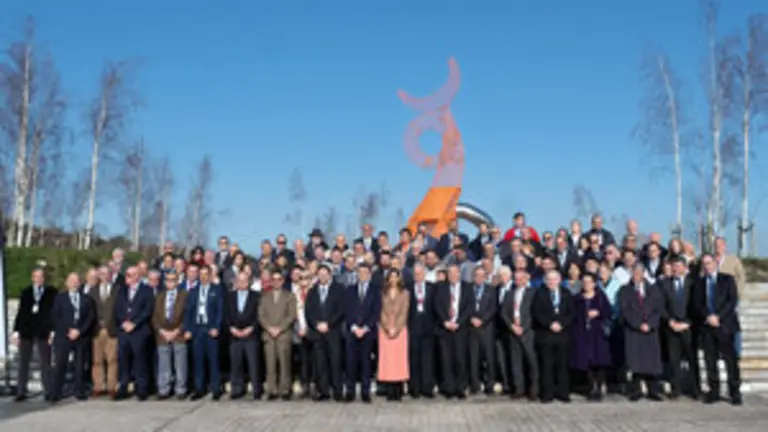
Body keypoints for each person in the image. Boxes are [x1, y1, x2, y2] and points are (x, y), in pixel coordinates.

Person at [693, 254, 742, 406]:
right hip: (707, 328)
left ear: (715, 263)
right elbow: (697, 304)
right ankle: (714, 391)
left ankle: (734, 392)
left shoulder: (727, 279)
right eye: (704, 264)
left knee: (730, 361)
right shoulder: (699, 283)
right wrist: (708, 316)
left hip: (725, 325)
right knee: (710, 361)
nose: (707, 266)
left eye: (709, 263)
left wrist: (718, 317)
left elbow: (732, 300)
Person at [618, 263, 664, 402]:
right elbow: (625, 310)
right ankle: (636, 390)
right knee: (635, 361)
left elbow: (659, 308)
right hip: (634, 330)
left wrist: (650, 324)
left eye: (640, 273)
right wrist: (638, 324)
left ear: (644, 273)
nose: (637, 275)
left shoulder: (654, 289)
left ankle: (653, 390)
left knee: (651, 361)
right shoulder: (625, 290)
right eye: (635, 272)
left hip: (650, 330)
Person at [12, 268, 57, 402]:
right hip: (27, 331)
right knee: (24, 362)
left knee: (45, 362)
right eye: (36, 277)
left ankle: (48, 390)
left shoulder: (51, 292)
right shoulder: (26, 293)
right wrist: (16, 332)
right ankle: (21, 391)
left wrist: (52, 331)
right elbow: (21, 312)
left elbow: (53, 313)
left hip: (44, 331)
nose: (39, 279)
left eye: (41, 276)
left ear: (44, 278)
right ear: (32, 278)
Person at [50, 272, 94, 402]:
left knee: (79, 364)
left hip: (80, 336)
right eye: (71, 281)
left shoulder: (86, 299)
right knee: (60, 364)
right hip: (64, 336)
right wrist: (68, 330)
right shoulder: (60, 298)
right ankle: (56, 391)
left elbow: (90, 317)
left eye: (76, 281)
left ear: (80, 283)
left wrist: (79, 331)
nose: (74, 283)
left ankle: (79, 390)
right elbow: (55, 317)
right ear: (67, 283)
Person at [532, 269, 575, 403]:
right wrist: (549, 324)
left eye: (554, 279)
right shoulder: (540, 294)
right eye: (549, 279)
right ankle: (547, 393)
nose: (552, 282)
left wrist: (562, 324)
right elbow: (537, 313)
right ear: (545, 281)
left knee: (562, 365)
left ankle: (563, 392)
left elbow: (572, 312)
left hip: (563, 334)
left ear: (559, 280)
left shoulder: (566, 293)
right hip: (546, 334)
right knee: (546, 365)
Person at [304, 264, 345, 401]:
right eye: (319, 274)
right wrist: (316, 324)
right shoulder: (312, 291)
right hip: (317, 333)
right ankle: (323, 391)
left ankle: (337, 391)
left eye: (325, 274)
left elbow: (341, 310)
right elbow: (308, 311)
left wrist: (329, 324)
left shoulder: (338, 290)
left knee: (335, 361)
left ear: (330, 275)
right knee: (320, 363)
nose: (322, 277)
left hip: (333, 331)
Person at [661, 257, 700, 400]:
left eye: (678, 266)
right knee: (673, 359)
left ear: (685, 267)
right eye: (674, 266)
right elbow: (661, 305)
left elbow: (697, 304)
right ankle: (675, 389)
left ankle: (696, 389)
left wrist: (688, 322)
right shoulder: (665, 284)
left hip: (689, 327)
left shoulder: (693, 284)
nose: (676, 269)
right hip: (671, 327)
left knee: (692, 358)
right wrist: (670, 321)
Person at [114, 266, 154, 401]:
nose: (128, 277)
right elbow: (118, 308)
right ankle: (123, 386)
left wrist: (135, 323)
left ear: (137, 276)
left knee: (140, 360)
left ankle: (141, 388)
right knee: (123, 360)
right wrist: (123, 322)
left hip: (139, 331)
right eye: (127, 275)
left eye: (130, 275)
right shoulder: (122, 290)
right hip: (124, 331)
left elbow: (147, 310)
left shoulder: (147, 290)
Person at [570, 273, 612, 401]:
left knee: (598, 361)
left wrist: (598, 313)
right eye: (584, 282)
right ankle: (591, 387)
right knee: (585, 361)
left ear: (594, 284)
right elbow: (573, 316)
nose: (586, 284)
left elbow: (608, 312)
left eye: (589, 282)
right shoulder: (577, 298)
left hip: (597, 333)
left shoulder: (600, 297)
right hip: (582, 334)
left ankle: (599, 386)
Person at [184, 265, 224, 400]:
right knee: (198, 361)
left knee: (213, 360)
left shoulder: (217, 290)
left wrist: (216, 327)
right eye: (201, 274)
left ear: (210, 275)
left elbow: (220, 311)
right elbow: (188, 311)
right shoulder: (193, 291)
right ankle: (199, 389)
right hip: (197, 329)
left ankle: (216, 389)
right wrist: (188, 329)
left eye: (206, 274)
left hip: (210, 328)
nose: (203, 276)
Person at [343, 263, 380, 403]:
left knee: (366, 363)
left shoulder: (375, 291)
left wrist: (365, 328)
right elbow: (346, 310)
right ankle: (350, 391)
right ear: (357, 274)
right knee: (351, 363)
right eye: (360, 272)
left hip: (368, 333)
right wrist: (354, 327)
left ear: (370, 274)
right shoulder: (349, 290)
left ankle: (365, 392)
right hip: (352, 332)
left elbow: (376, 312)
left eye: (365, 272)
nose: (362, 275)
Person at [435, 264, 473, 399]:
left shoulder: (467, 287)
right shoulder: (441, 287)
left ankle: (461, 388)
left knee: (460, 359)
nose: (452, 275)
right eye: (449, 273)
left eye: (454, 273)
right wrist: (444, 321)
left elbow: (470, 307)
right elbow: (437, 306)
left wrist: (459, 322)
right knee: (446, 360)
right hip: (444, 329)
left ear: (459, 274)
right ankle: (448, 389)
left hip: (460, 329)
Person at [500, 268, 538, 399]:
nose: (518, 281)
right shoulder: (510, 293)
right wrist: (511, 326)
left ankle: (533, 390)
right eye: (516, 278)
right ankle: (518, 389)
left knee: (531, 361)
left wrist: (524, 327)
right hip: (513, 332)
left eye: (521, 278)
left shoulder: (532, 293)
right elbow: (504, 312)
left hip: (528, 332)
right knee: (515, 362)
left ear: (527, 279)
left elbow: (534, 313)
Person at [258, 271, 297, 400]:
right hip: (268, 335)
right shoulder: (264, 296)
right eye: (273, 279)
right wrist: (269, 328)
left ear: (283, 281)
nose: (276, 282)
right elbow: (261, 315)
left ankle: (285, 390)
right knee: (270, 364)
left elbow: (291, 315)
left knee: (284, 363)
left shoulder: (289, 296)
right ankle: (271, 390)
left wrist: (280, 328)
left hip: (283, 334)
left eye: (279, 279)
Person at [152, 271, 189, 400]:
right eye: (168, 280)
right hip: (162, 334)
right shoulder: (160, 296)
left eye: (173, 280)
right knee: (163, 364)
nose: (170, 282)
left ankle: (181, 389)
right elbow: (155, 317)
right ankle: (164, 389)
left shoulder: (184, 295)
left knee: (180, 364)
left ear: (178, 281)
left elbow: (187, 315)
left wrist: (177, 331)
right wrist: (161, 331)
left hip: (178, 333)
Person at [227, 272, 262, 400]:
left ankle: (256, 390)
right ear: (235, 282)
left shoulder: (256, 296)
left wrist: (251, 328)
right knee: (236, 364)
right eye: (239, 281)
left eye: (245, 281)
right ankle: (237, 389)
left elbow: (260, 315)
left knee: (253, 364)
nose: (242, 283)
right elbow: (227, 314)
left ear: (249, 282)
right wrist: (231, 328)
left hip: (251, 335)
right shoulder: (230, 296)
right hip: (234, 334)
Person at [378, 269, 411, 401]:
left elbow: (404, 312)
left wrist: (396, 328)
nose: (393, 279)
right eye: (390, 277)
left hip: (400, 329)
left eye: (395, 277)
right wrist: (387, 327)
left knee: (399, 361)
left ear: (399, 279)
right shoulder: (382, 293)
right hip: (385, 329)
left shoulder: (405, 293)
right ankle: (389, 390)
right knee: (387, 361)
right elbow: (380, 311)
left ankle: (399, 390)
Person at [88, 265, 119, 398]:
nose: (104, 276)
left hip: (112, 329)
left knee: (112, 360)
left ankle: (112, 387)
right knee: (97, 360)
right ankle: (98, 386)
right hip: (97, 330)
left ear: (110, 275)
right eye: (101, 274)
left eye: (106, 274)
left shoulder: (117, 290)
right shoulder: (92, 291)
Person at [407, 263, 437, 399]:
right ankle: (414, 388)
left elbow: (436, 308)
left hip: (428, 328)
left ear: (424, 274)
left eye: (420, 273)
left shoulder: (432, 288)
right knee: (414, 359)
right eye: (416, 274)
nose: (418, 276)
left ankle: (427, 387)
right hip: (413, 328)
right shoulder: (408, 288)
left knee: (428, 360)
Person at [467, 267, 497, 395]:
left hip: (486, 328)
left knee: (489, 357)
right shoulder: (467, 289)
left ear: (485, 277)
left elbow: (493, 308)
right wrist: (471, 318)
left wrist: (483, 320)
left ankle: (489, 384)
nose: (479, 278)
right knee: (473, 358)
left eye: (481, 276)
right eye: (476, 275)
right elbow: (464, 305)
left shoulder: (491, 290)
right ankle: (475, 385)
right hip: (471, 327)